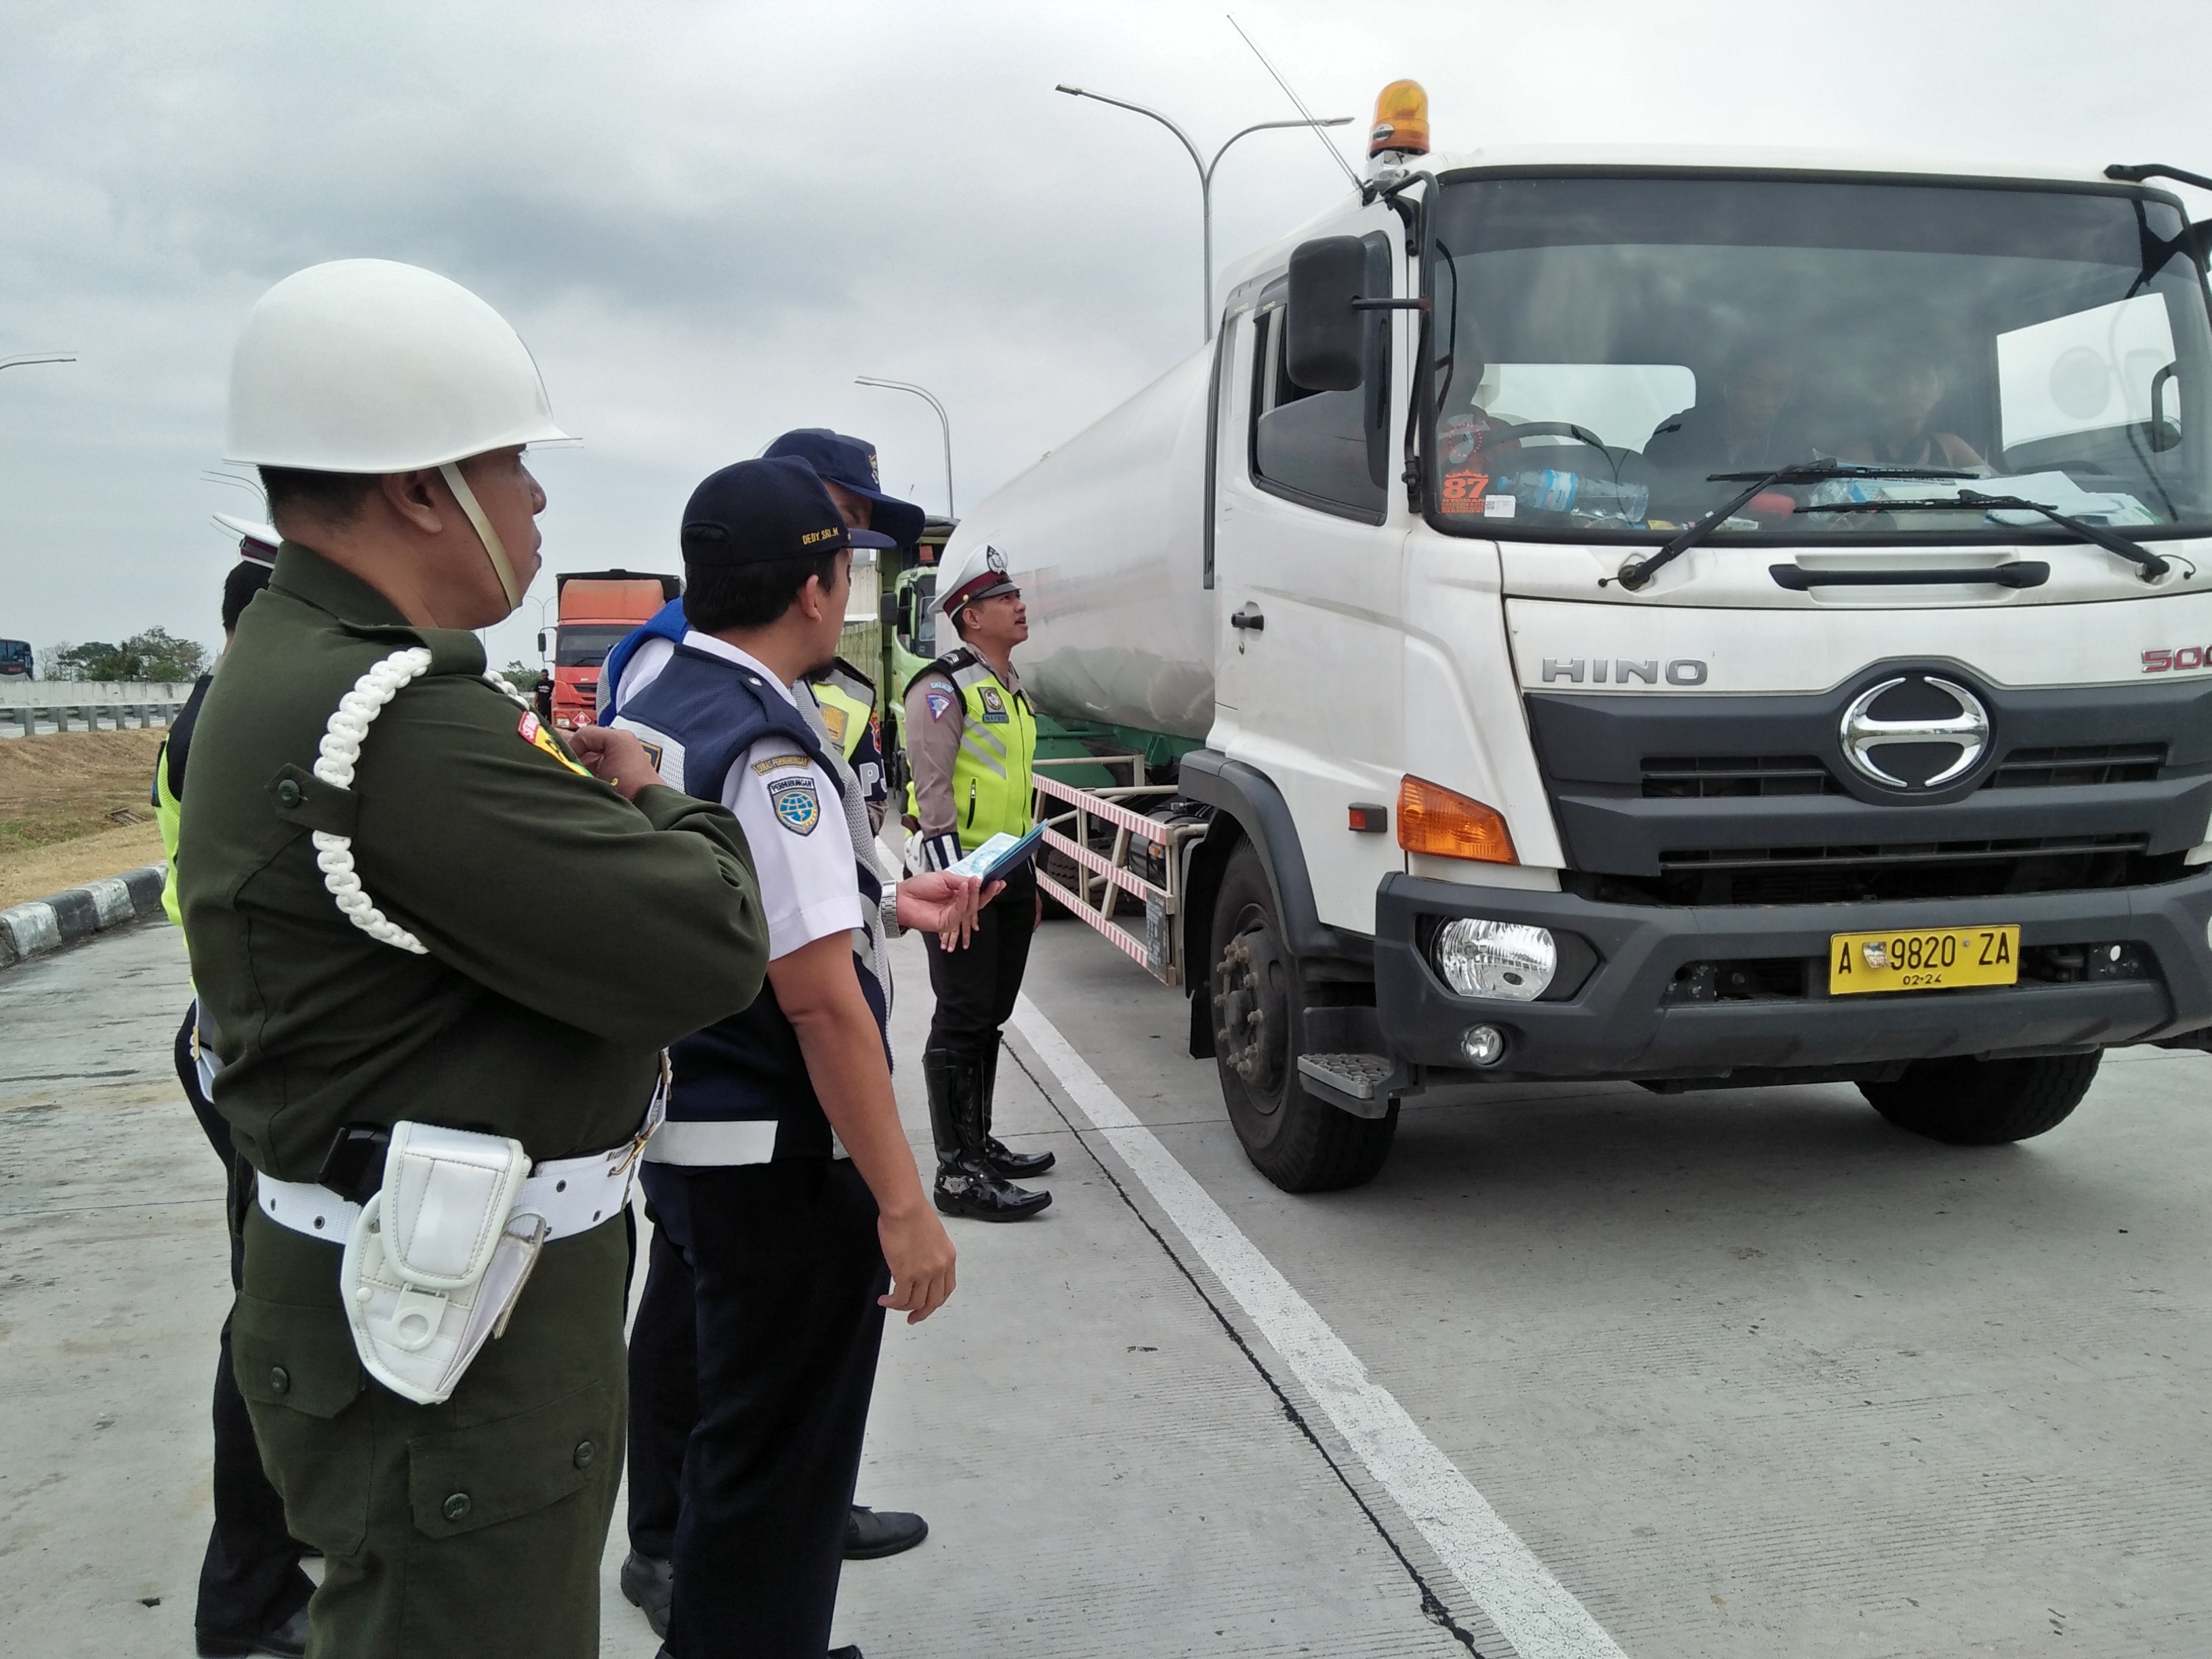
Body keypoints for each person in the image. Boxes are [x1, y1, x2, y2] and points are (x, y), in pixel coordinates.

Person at [177, 258, 775, 1658]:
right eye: (512, 462)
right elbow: (708, 948)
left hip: (431, 1300)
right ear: (417, 485)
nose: (536, 500)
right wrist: (656, 799)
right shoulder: (391, 718)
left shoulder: (313, 662)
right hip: (450, 1356)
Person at [607, 455, 975, 1659]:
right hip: (779, 1153)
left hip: (695, 1131)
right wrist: (902, 1202)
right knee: (779, 1463)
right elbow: (819, 1005)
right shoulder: (774, 745)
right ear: (816, 590)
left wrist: (880, 893)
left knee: (739, 1441)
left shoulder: (668, 697)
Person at [153, 523, 312, 1659]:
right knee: (270, 1321)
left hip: (232, 1032)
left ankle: (268, 1562)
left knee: (273, 1310)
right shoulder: (236, 718)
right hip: (249, 1045)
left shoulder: (222, 704)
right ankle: (246, 1598)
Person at [904, 541, 1057, 1221]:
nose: (1019, 606)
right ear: (971, 617)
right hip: (960, 877)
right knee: (961, 1015)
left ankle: (979, 1144)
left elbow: (1017, 790)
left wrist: (1027, 882)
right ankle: (956, 1173)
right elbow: (932, 793)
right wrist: (950, 886)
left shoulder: (1010, 687)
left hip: (1008, 872)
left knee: (990, 1013)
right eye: (1004, 599)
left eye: (1016, 595)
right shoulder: (941, 689)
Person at [1643, 346, 1818, 472]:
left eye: (1780, 389)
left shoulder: (1793, 446)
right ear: (1726, 384)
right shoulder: (1675, 437)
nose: (1768, 402)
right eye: (1755, 387)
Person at [1835, 350, 1989, 472]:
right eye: (1900, 379)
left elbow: (2000, 490)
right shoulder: (1856, 455)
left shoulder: (1951, 447)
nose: (1912, 390)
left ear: (1940, 390)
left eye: (1923, 378)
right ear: (1881, 391)